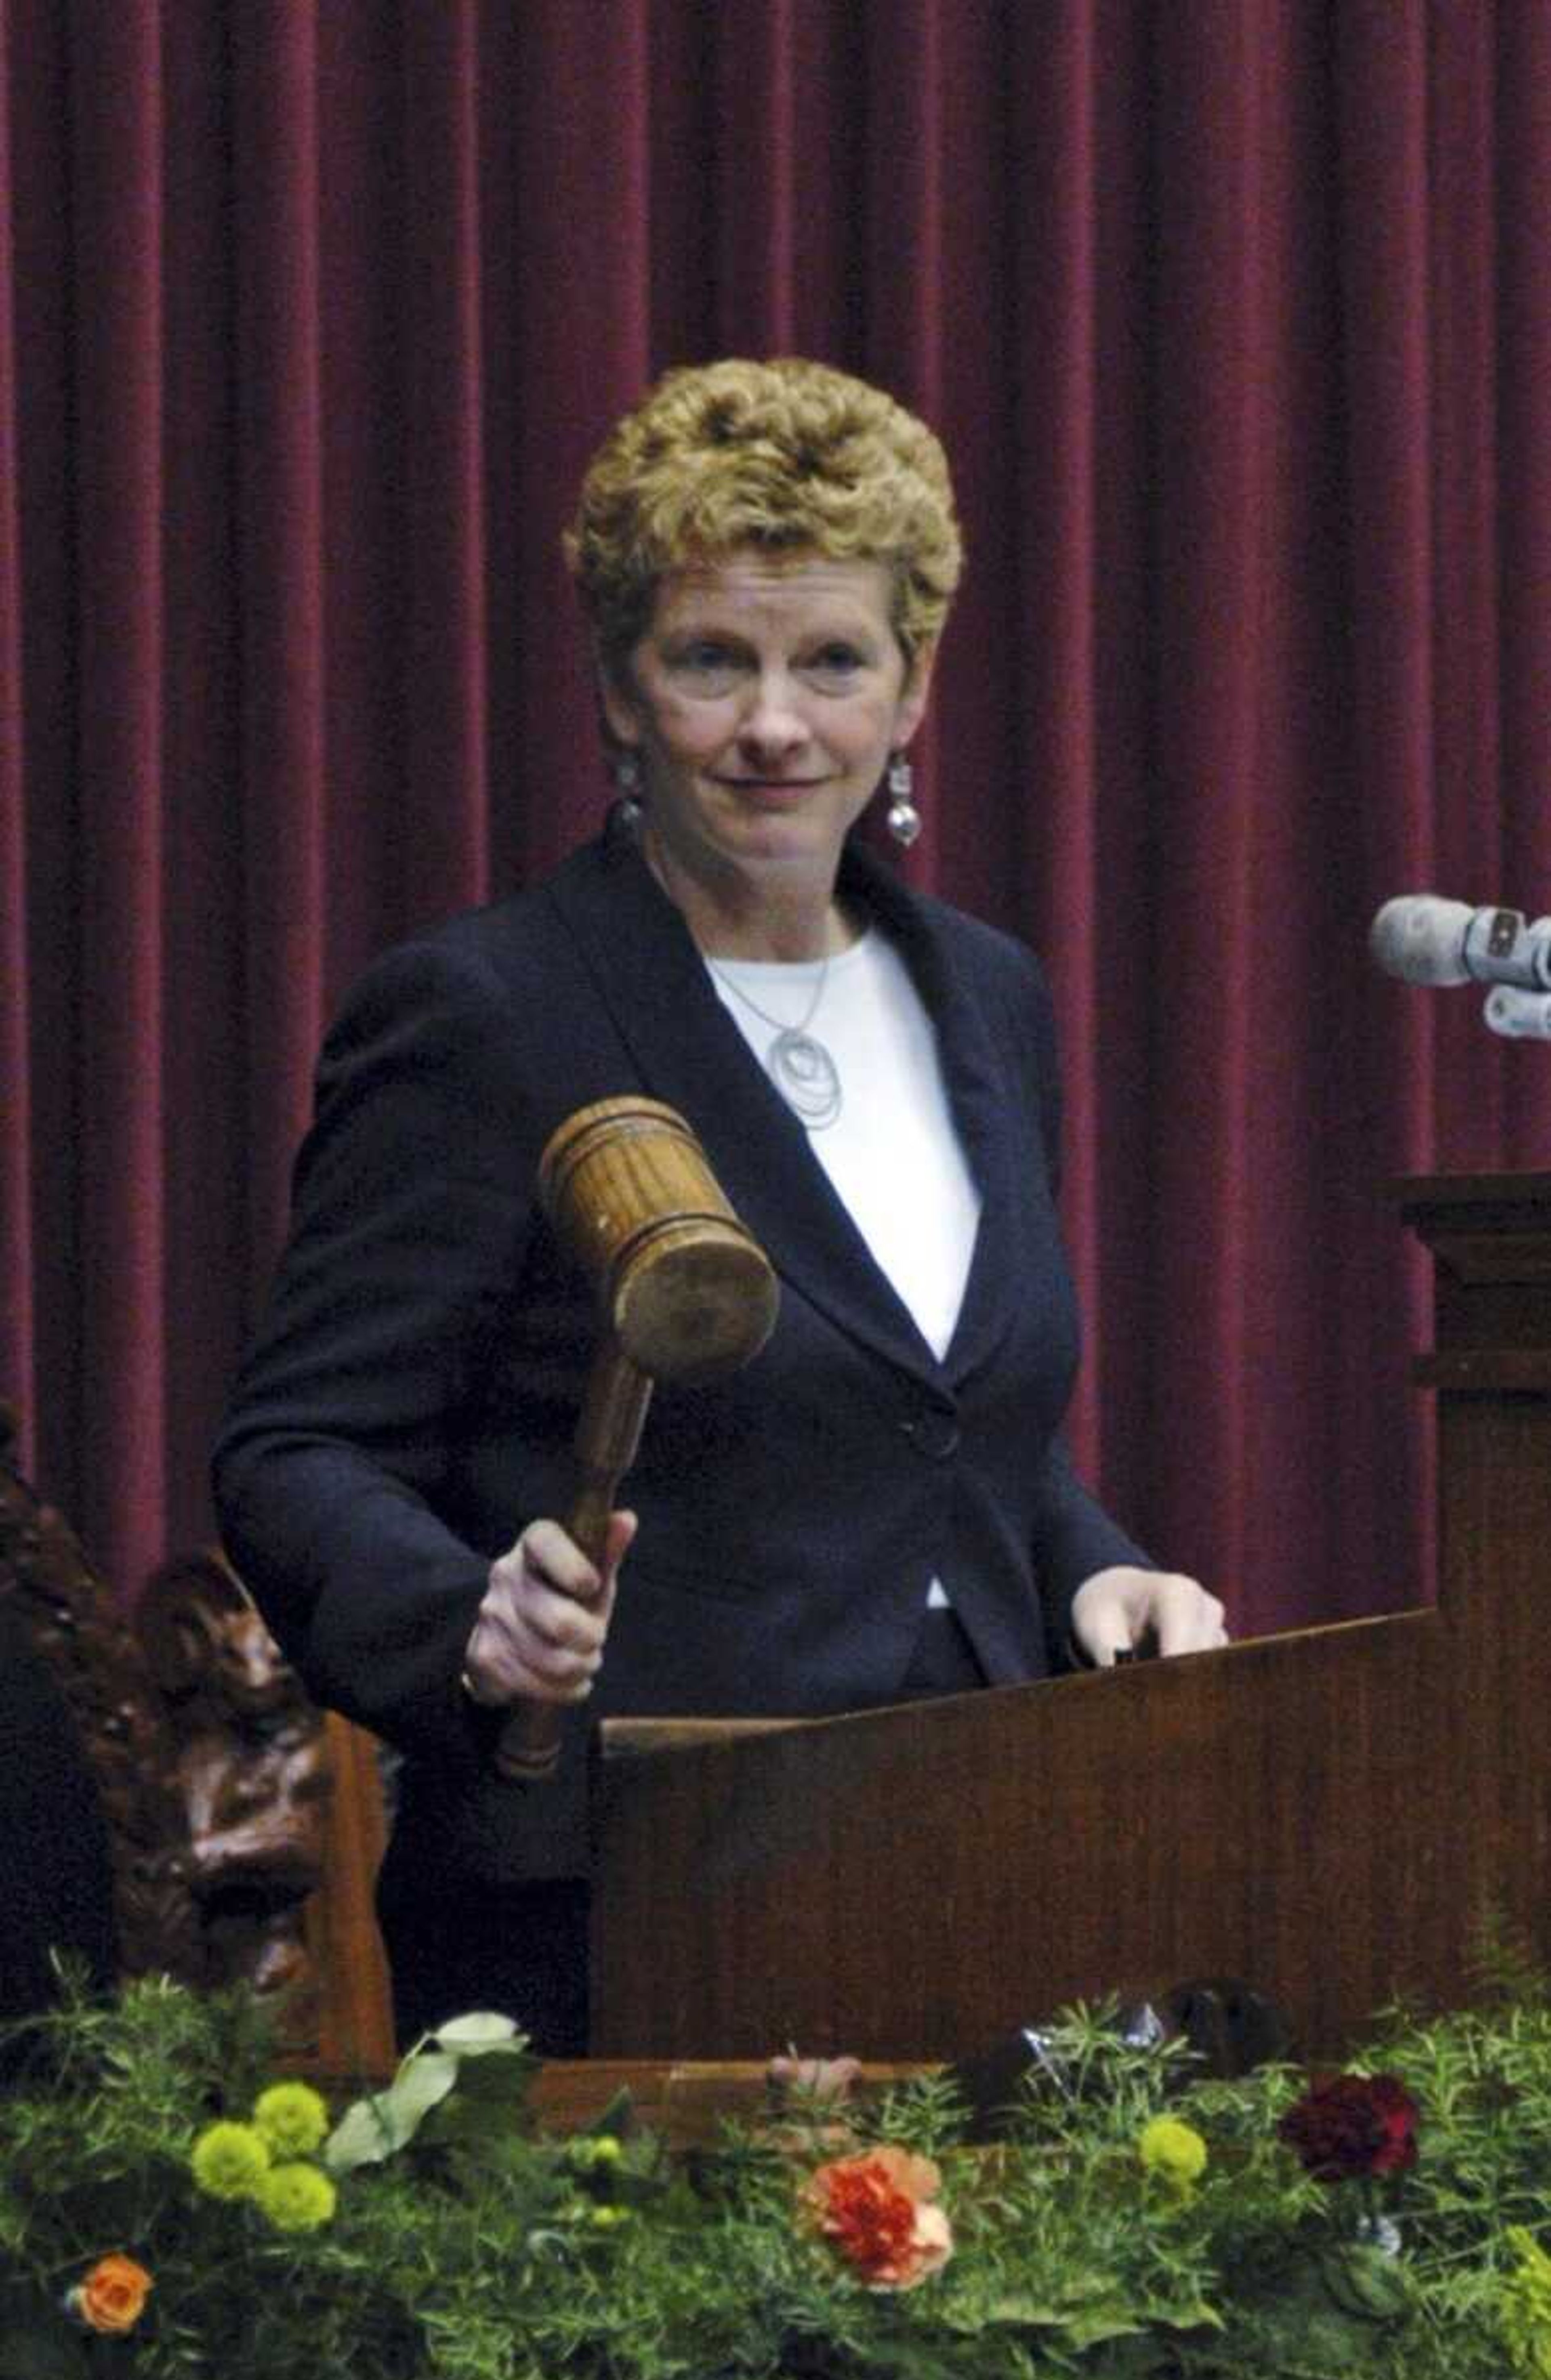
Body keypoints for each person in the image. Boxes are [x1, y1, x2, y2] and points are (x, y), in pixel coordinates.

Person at [213, 357, 1225, 2055]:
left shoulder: (987, 994)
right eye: (712, 660)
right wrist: (468, 1615)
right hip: (617, 1907)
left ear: (913, 690)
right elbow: (296, 1447)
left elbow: (941, 1429)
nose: (776, 722)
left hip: (984, 1864)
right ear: (621, 687)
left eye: (832, 659)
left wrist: (1102, 1573)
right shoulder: (491, 1007)